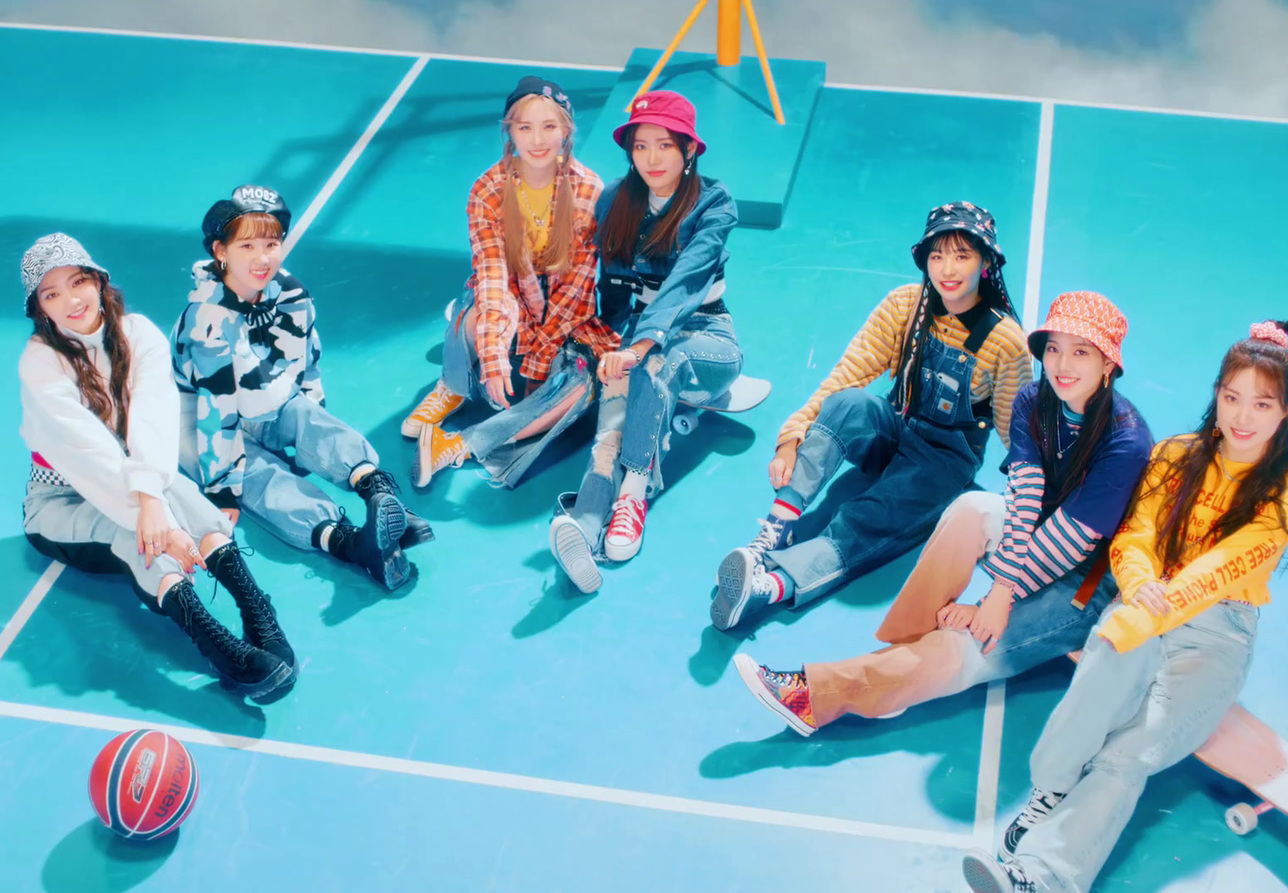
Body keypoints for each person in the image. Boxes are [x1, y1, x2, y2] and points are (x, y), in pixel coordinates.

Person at [965, 321, 1288, 893]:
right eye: (1231, 397)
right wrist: (1139, 584)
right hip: (1146, 598)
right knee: (1101, 679)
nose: (1242, 417)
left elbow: (1228, 563)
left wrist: (1147, 608)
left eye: (1261, 403)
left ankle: (1041, 877)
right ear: (1216, 394)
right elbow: (1134, 536)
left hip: (1216, 632)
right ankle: (1050, 792)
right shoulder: (1177, 455)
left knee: (1130, 751)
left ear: (1287, 409)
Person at [734, 292, 1151, 735]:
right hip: (1036, 541)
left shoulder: (1126, 441)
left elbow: (1071, 542)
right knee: (970, 507)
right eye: (1054, 349)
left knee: (966, 647)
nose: (1062, 365)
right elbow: (1025, 494)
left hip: (1085, 581)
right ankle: (898, 670)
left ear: (1109, 365)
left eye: (1081, 352)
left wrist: (993, 600)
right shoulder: (1035, 399)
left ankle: (818, 697)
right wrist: (998, 593)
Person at [711, 202, 1031, 630]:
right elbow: (848, 374)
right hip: (896, 431)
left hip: (941, 464)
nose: (947, 269)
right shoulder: (905, 305)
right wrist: (792, 436)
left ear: (986, 261)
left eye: (962, 255)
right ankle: (772, 533)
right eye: (937, 255)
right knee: (847, 403)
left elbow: (1018, 434)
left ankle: (769, 586)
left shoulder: (1007, 342)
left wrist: (1038, 515)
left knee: (866, 517)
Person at [17, 234, 293, 699]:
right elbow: (91, 456)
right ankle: (215, 642)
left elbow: (152, 421)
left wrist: (156, 503)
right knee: (135, 534)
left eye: (77, 281)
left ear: (99, 281)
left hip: (127, 477)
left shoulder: (137, 332)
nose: (70, 300)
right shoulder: (39, 364)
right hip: (60, 502)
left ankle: (255, 609)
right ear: (40, 309)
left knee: (183, 493)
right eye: (51, 294)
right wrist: (157, 520)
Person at [171, 185, 429, 592]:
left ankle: (378, 491)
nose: (263, 258)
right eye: (247, 245)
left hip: (266, 401)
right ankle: (350, 543)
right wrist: (221, 489)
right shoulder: (207, 319)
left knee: (305, 413)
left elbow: (306, 363)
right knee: (258, 476)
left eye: (272, 243)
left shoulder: (290, 292)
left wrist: (311, 428)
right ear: (220, 251)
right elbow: (215, 409)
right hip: (202, 423)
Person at [548, 90, 741, 592]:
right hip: (637, 336)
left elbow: (686, 283)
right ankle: (588, 517)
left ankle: (633, 495)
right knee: (617, 394)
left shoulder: (714, 203)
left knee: (657, 363)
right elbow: (610, 282)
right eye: (640, 146)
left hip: (707, 338)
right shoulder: (617, 199)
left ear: (689, 150)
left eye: (664, 145)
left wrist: (639, 345)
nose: (651, 159)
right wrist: (608, 342)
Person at [403, 76, 621, 489]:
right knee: (483, 312)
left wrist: (539, 367)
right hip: (508, 294)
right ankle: (454, 385)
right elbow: (492, 278)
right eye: (525, 127)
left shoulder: (590, 191)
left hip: (561, 309)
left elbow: (574, 292)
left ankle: (458, 444)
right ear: (510, 132)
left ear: (566, 132)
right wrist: (494, 358)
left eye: (549, 127)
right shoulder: (487, 190)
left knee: (578, 386)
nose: (537, 140)